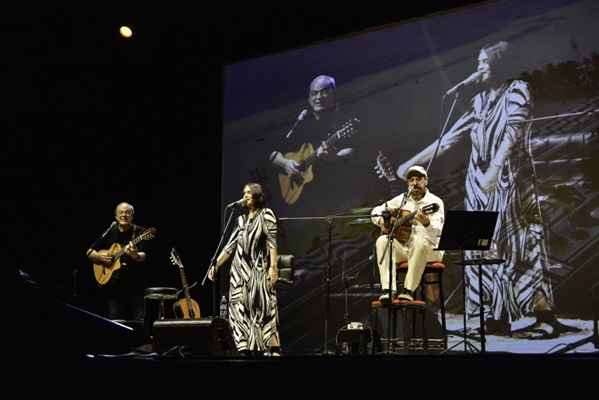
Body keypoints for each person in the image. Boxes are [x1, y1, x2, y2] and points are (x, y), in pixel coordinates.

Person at [396, 41, 573, 338]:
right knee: (479, 251)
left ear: (500, 63)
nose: (478, 68)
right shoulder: (478, 101)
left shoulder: (518, 89)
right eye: (477, 63)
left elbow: (511, 134)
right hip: (478, 185)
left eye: (483, 62)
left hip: (511, 183)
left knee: (523, 245)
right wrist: (409, 165)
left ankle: (545, 317)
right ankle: (493, 318)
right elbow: (451, 138)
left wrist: (495, 169)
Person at [208, 183, 281, 356]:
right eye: (244, 193)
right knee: (237, 308)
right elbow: (229, 247)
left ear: (257, 195)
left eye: (249, 192)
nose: (245, 195)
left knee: (262, 307)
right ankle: (243, 348)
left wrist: (273, 267)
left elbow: (272, 243)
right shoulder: (240, 219)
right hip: (239, 273)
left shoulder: (266, 215)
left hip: (257, 270)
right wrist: (215, 265)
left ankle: (269, 348)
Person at [268, 75, 359, 212]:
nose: (318, 97)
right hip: (306, 201)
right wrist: (286, 164)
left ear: (334, 94)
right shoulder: (303, 121)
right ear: (309, 100)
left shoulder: (345, 117)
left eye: (324, 91)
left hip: (338, 193)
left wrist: (336, 157)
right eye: (314, 93)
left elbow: (354, 150)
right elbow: (272, 153)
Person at [371, 165, 445, 302]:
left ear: (426, 181)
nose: (415, 183)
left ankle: (408, 290)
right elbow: (375, 212)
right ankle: (389, 290)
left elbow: (438, 233)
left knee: (420, 241)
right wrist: (381, 220)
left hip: (430, 250)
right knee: (382, 240)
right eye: (411, 180)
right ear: (408, 183)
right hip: (407, 249)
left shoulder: (435, 202)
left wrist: (427, 223)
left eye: (418, 179)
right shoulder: (402, 199)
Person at [86, 202, 147, 322]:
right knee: (116, 323)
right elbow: (89, 252)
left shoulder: (141, 233)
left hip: (136, 287)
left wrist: (134, 254)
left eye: (127, 212)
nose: (124, 215)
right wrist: (100, 258)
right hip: (114, 288)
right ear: (116, 216)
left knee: (139, 322)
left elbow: (143, 256)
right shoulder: (111, 231)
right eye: (121, 212)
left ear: (132, 216)